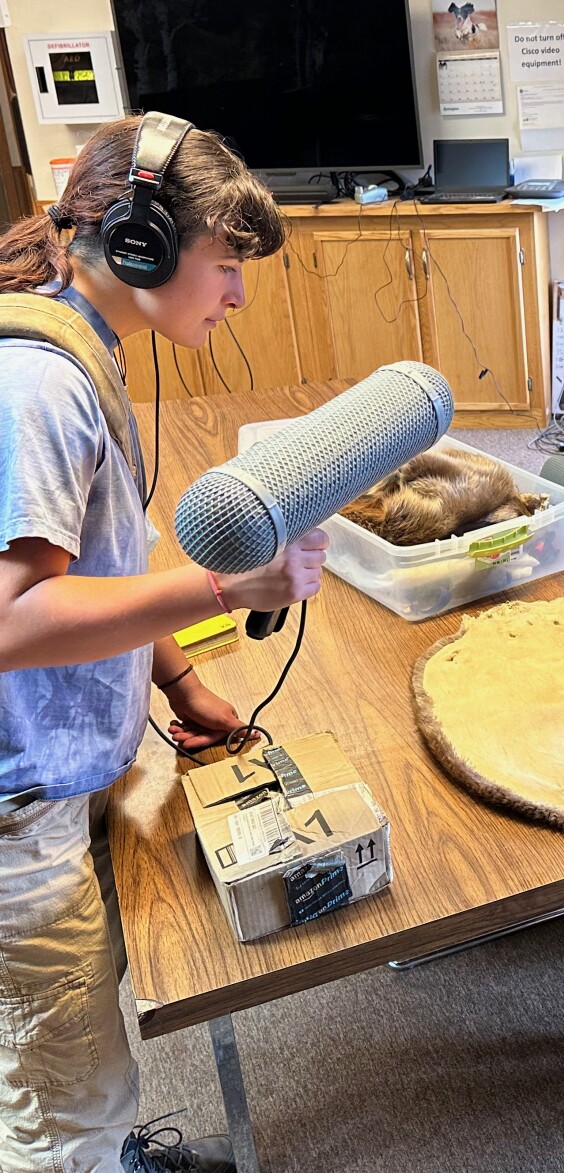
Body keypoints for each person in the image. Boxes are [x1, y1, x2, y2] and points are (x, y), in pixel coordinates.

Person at [0, 112, 328, 1171]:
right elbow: (9, 621)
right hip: (20, 809)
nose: (237, 292)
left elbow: (101, 561)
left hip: (59, 764)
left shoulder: (84, 341)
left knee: (86, 1032)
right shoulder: (39, 386)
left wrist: (182, 681)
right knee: (63, 1085)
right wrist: (220, 583)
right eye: (226, 261)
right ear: (141, 243)